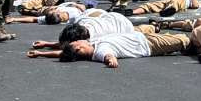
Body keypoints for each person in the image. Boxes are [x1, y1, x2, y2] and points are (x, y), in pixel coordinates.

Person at [59, 26, 192, 67]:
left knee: (175, 38)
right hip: (148, 44)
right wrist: (111, 61)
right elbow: (108, 56)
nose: (80, 40)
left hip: (142, 36)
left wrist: (42, 53)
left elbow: (64, 53)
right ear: (78, 49)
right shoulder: (99, 51)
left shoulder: (92, 45)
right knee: (185, 40)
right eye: (77, 42)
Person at [117, 0, 200, 17]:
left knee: (175, 2)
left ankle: (171, 9)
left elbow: (195, 5)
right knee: (151, 5)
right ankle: (132, 12)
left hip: (181, 0)